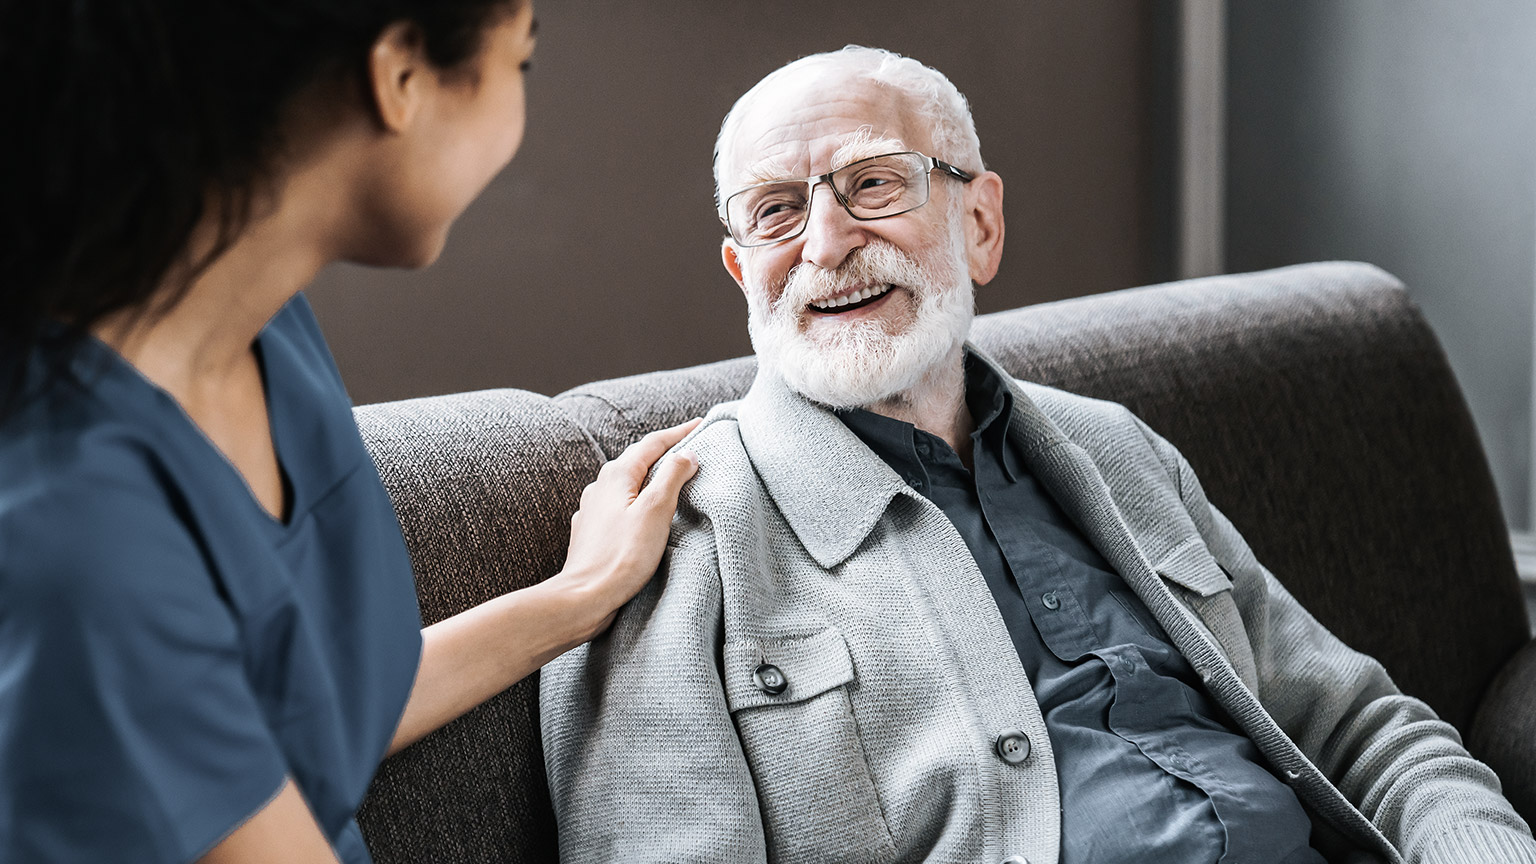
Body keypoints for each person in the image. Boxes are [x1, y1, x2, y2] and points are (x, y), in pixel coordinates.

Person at [539, 46, 1536, 863]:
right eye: (776, 212)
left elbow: (1360, 726)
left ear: (978, 223)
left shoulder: (1116, 447)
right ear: (741, 269)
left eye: (872, 184)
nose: (826, 243)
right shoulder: (675, 538)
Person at [0, 2, 701, 862]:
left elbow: (286, 720)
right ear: (401, 75)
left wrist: (579, 597)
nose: (518, 115)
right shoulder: (76, 529)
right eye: (519, 62)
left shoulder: (260, 328)